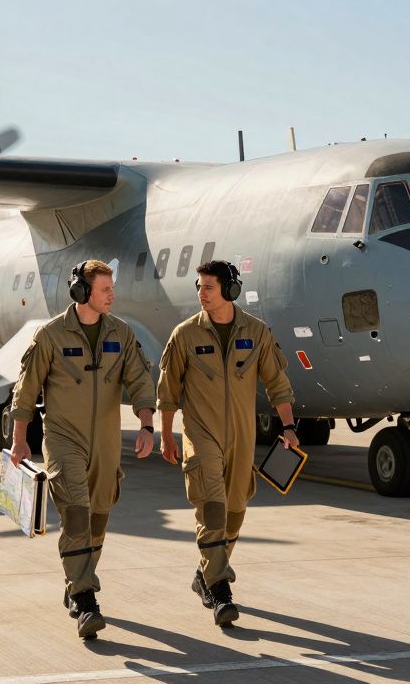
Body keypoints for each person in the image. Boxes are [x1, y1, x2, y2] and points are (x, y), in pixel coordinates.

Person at [10, 259, 157, 639]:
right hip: (64, 439)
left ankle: (77, 581)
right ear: (81, 292)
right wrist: (19, 438)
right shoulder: (51, 335)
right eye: (105, 289)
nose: (112, 295)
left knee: (98, 519)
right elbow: (26, 390)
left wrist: (146, 424)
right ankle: (85, 598)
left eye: (112, 288)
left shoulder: (121, 333)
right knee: (76, 514)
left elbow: (140, 380)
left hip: (106, 442)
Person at [156, 260, 298, 626]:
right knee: (213, 510)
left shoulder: (257, 331)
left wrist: (288, 426)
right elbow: (168, 392)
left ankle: (204, 574)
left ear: (230, 290)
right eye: (199, 287)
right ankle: (220, 591)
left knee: (235, 513)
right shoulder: (185, 335)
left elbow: (277, 383)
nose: (201, 294)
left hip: (241, 438)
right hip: (200, 435)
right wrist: (167, 435)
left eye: (208, 287)